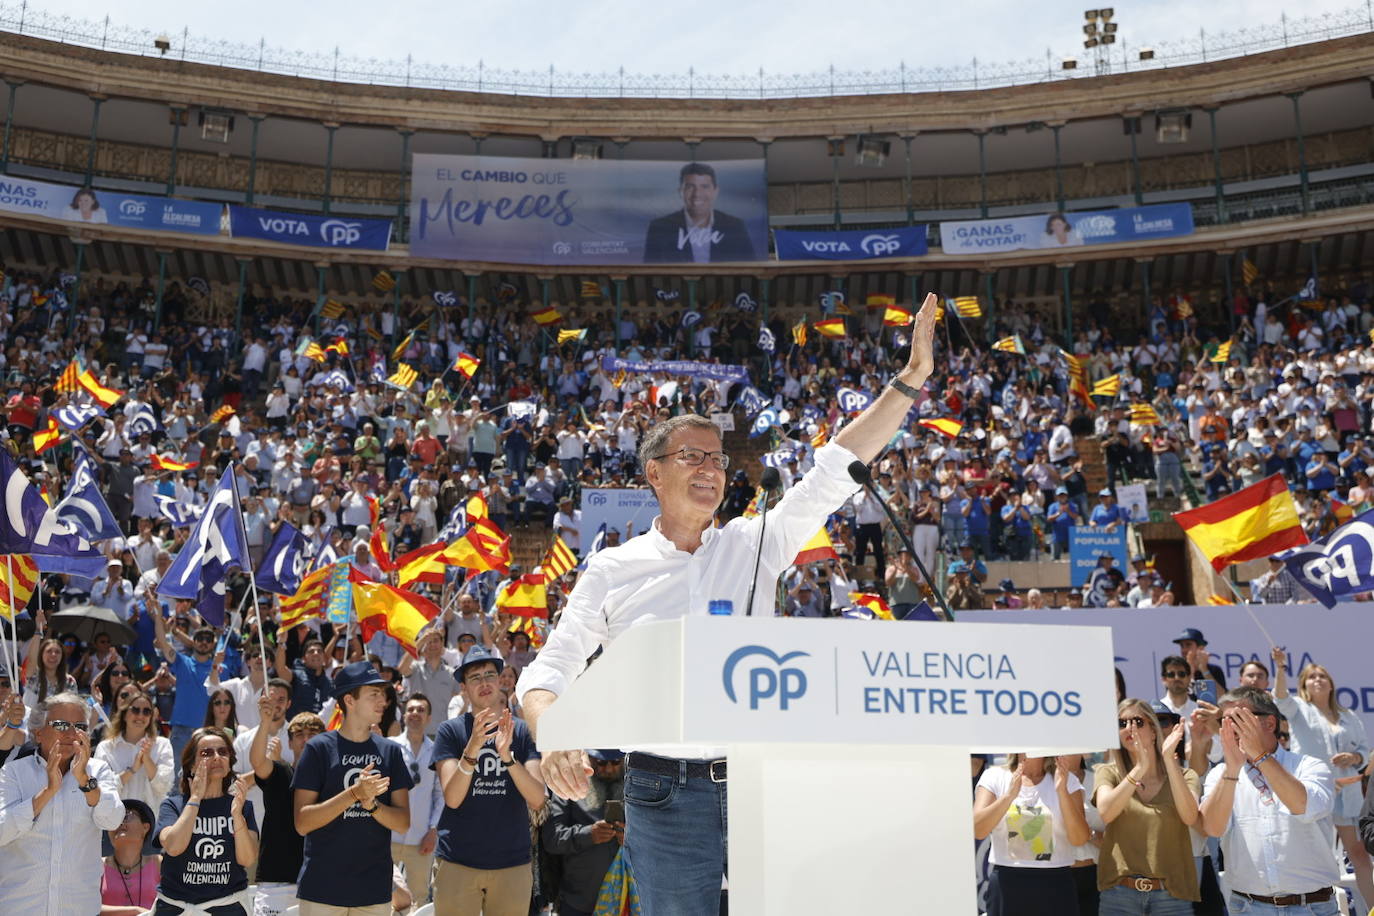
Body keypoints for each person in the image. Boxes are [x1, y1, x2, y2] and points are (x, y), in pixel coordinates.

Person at [518, 296, 938, 915]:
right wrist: (551, 735)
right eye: (692, 457)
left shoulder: (757, 541)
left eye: (717, 459)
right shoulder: (612, 569)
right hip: (661, 792)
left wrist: (910, 381)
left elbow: (833, 473)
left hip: (760, 781)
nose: (711, 469)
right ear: (654, 474)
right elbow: (548, 673)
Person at [1200, 686, 1339, 915]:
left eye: (1238, 718)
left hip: (1312, 907)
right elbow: (1213, 829)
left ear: (1270, 724)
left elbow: (1303, 807)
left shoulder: (1310, 766)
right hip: (1248, 907)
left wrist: (1261, 757)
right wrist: (1232, 772)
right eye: (1224, 721)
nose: (1230, 728)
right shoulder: (1220, 774)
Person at [292, 661, 413, 915]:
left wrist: (372, 805)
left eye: (383, 693)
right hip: (322, 889)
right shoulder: (318, 749)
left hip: (373, 891)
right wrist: (354, 794)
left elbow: (402, 822)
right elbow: (303, 822)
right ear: (350, 700)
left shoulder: (389, 751)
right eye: (374, 694)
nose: (383, 700)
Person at [433, 646, 546, 916]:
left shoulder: (521, 730)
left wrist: (507, 757)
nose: (484, 683)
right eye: (475, 677)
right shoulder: (450, 731)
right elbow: (453, 798)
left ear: (500, 681)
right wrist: (472, 748)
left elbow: (538, 797)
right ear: (463, 688)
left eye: (489, 675)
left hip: (512, 864)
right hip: (458, 861)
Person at [0, 692, 125, 916]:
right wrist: (47, 792)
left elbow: (114, 819)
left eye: (79, 726)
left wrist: (85, 781)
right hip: (20, 908)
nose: (71, 733)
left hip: (78, 908)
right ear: (38, 733)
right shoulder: (13, 773)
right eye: (60, 724)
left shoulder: (98, 771)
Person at [1271, 648, 1373, 908]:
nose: (1318, 680)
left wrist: (1354, 758)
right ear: (1304, 684)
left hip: (1347, 797)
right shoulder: (1299, 709)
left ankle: (1370, 908)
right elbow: (1280, 698)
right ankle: (1325, 910)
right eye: (1311, 676)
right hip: (1315, 794)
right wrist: (1280, 668)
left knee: (1360, 856)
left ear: (1331, 683)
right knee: (1319, 856)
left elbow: (1363, 749)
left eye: (1322, 676)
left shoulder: (1348, 716)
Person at [1092, 700, 1199, 914]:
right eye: (1122, 723)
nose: (1129, 728)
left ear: (1153, 731)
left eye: (1138, 721)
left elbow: (1190, 817)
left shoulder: (1186, 775)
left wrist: (1169, 761)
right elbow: (1106, 812)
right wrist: (1140, 768)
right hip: (1119, 894)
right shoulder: (1107, 772)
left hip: (1172, 896)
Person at [154, 728, 259, 914]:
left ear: (229, 762)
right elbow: (174, 847)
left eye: (223, 751)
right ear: (192, 765)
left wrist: (236, 816)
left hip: (228, 906)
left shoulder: (243, 807)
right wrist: (195, 799)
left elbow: (247, 859)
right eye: (206, 753)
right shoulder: (173, 805)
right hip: (175, 907)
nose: (216, 757)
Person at [973, 753, 1092, 916]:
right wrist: (1008, 797)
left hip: (1056, 885)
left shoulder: (1066, 779)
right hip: (1007, 883)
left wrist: (1062, 792)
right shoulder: (995, 776)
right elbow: (978, 829)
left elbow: (1079, 839)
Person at [249, 706, 326, 916]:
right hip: (277, 886)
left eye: (312, 733)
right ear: (290, 743)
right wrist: (265, 724)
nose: (306, 739)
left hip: (320, 886)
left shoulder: (333, 784)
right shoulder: (281, 773)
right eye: (299, 734)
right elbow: (257, 762)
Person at [541, 748, 628, 916]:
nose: (608, 769)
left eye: (616, 762)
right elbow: (551, 839)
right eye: (601, 763)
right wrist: (589, 835)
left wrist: (633, 839)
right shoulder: (569, 787)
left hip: (626, 901)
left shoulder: (638, 789)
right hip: (579, 902)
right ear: (589, 759)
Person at [642, 162, 757, 263]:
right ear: (680, 191)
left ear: (715, 192)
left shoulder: (735, 226)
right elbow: (651, 273)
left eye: (704, 186)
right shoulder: (659, 228)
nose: (697, 194)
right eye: (690, 187)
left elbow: (751, 270)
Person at [390, 694, 444, 911]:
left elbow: (440, 795)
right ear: (404, 716)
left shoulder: (436, 752)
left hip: (422, 839)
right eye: (411, 709)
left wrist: (433, 830)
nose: (415, 714)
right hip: (389, 836)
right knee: (383, 895)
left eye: (421, 710)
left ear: (429, 718)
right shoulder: (390, 747)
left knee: (418, 900)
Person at [154, 615, 225, 767]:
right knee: (176, 781)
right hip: (181, 731)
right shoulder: (181, 661)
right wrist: (157, 614)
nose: (204, 642)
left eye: (208, 639)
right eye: (200, 638)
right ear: (193, 641)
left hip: (208, 732)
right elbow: (162, 641)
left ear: (213, 644)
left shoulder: (220, 669)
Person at [94, 687, 175, 808]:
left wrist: (147, 760)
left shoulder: (163, 745)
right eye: (135, 710)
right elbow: (101, 789)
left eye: (146, 711)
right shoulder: (105, 748)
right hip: (115, 820)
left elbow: (164, 787)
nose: (141, 716)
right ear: (125, 715)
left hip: (152, 820)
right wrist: (132, 770)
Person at [101, 797, 161, 916]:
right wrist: (135, 911)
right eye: (114, 820)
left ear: (145, 828)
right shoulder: (98, 866)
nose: (119, 823)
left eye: (125, 816)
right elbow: (86, 906)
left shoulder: (159, 863)